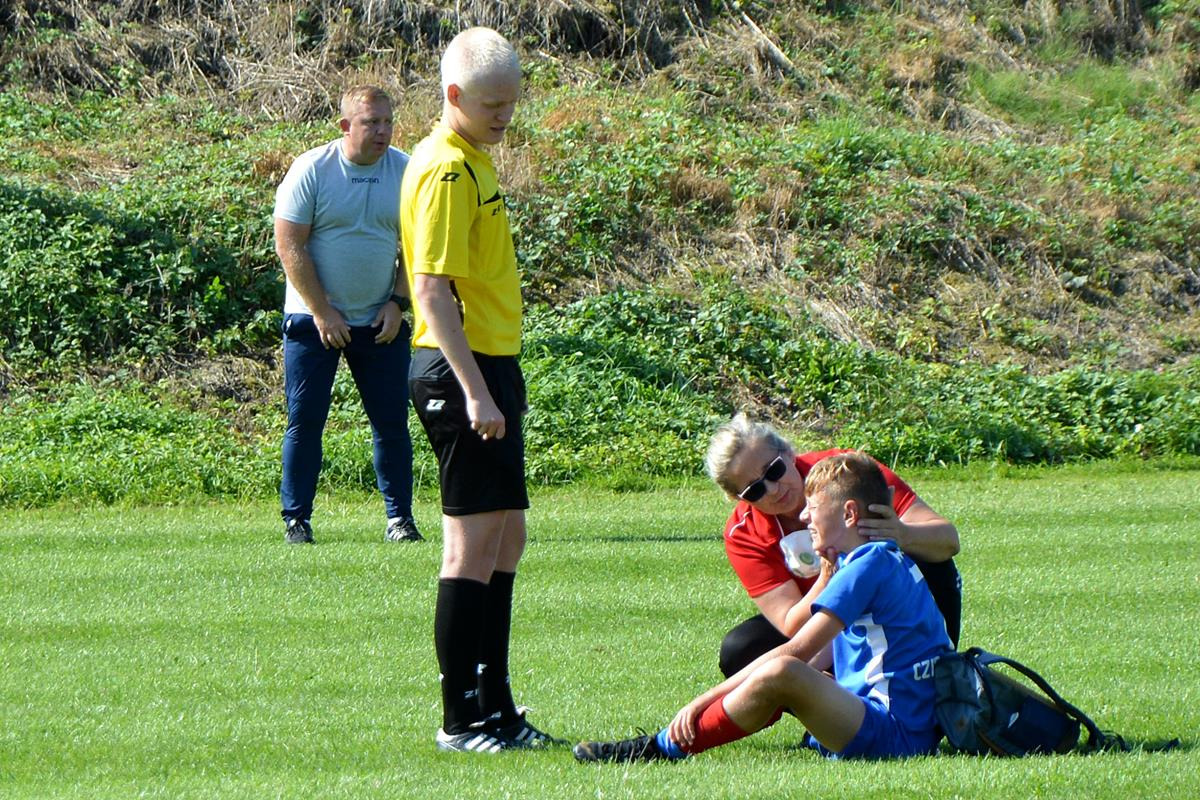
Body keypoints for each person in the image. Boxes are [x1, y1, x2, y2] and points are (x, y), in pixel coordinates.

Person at [574, 452, 954, 762]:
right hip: (907, 728)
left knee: (783, 670)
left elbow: (796, 650)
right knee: (787, 672)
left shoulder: (865, 566)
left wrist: (703, 700)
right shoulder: (880, 557)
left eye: (814, 507)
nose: (804, 516)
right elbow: (822, 654)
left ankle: (662, 747)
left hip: (895, 734)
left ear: (850, 514)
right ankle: (666, 744)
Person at [400, 27, 559, 753]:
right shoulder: (445, 171)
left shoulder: (473, 158)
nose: (505, 116)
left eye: (512, 103)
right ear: (454, 95)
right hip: (458, 369)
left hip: (491, 365)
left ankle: (497, 708)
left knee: (507, 537)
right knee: (469, 547)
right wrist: (475, 392)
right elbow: (431, 292)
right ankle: (460, 719)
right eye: (493, 104)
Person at [273, 84, 423, 546]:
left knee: (392, 424)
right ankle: (296, 520)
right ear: (345, 126)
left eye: (387, 122)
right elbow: (289, 244)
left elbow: (417, 246)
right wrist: (322, 312)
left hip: (379, 322)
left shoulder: (406, 171)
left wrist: (397, 302)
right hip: (313, 322)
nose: (382, 131)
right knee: (305, 422)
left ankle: (400, 521)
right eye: (370, 122)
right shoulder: (312, 169)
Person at [708, 415, 961, 677]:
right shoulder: (743, 532)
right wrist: (827, 578)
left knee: (925, 560)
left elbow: (948, 541)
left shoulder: (847, 471)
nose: (772, 489)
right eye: (754, 490)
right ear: (738, 498)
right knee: (741, 648)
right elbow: (791, 624)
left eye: (774, 470)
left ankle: (930, 668)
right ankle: (826, 690)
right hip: (825, 624)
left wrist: (902, 533)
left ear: (789, 453)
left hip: (894, 607)